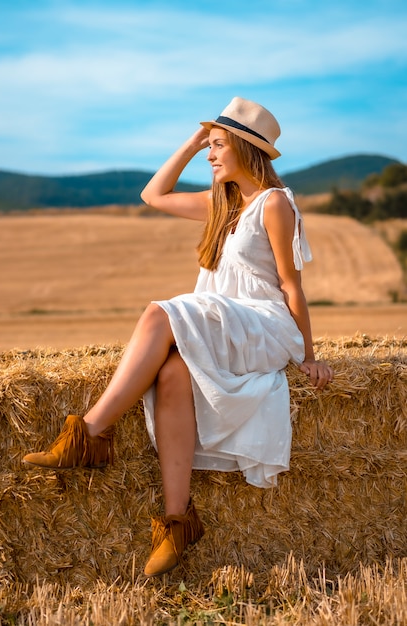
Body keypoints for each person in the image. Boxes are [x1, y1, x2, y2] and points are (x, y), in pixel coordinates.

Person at [22, 96, 334, 578]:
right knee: (170, 375)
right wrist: (192, 142)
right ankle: (176, 522)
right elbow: (153, 195)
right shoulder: (221, 204)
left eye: (216, 146)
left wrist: (309, 355)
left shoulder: (273, 204)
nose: (210, 155)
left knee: (157, 313)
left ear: (245, 151)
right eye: (207, 146)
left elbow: (292, 286)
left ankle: (89, 435)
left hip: (262, 325)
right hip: (224, 323)